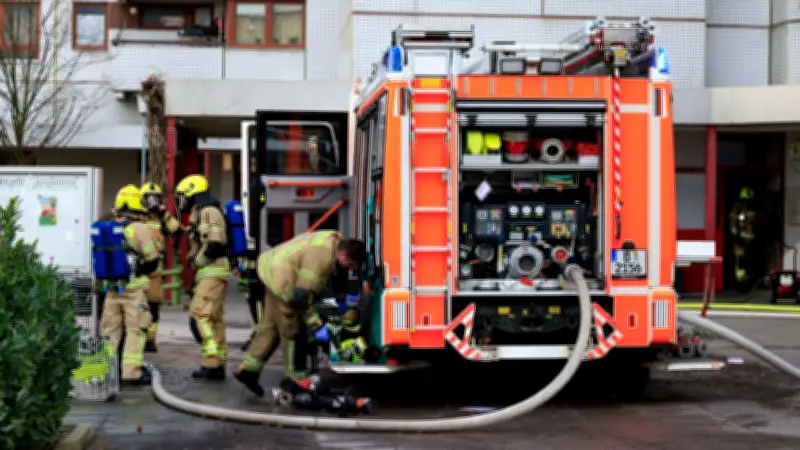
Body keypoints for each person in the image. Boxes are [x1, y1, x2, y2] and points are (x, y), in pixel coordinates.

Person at [233, 230, 366, 398]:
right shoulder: (323, 257)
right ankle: (295, 380)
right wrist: (317, 325)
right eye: (352, 264)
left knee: (270, 328)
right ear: (345, 255)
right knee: (293, 331)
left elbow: (318, 286)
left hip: (272, 268)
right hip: (284, 282)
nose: (351, 268)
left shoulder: (333, 241)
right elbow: (301, 298)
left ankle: (248, 371)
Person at [101, 185, 160, 386]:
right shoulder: (139, 228)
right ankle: (131, 374)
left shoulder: (109, 226)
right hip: (133, 289)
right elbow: (153, 259)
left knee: (110, 332)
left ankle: (105, 372)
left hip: (111, 288)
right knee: (136, 329)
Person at [174, 174, 230, 381]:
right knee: (214, 319)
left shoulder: (209, 212)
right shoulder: (202, 214)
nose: (182, 202)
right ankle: (218, 363)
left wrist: (197, 261)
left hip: (213, 272)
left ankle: (212, 363)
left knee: (199, 316)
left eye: (183, 196)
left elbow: (215, 244)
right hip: (211, 273)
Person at [140, 182, 183, 353]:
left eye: (155, 197)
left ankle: (150, 340)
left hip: (155, 271)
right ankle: (137, 338)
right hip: (138, 270)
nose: (152, 201)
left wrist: (164, 213)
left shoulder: (162, 218)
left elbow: (178, 232)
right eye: (148, 197)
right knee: (137, 306)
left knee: (154, 307)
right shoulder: (138, 217)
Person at [729, 186, 758, 291]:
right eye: (746, 200)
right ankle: (740, 284)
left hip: (751, 242)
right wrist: (737, 236)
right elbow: (733, 225)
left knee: (751, 263)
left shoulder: (754, 210)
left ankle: (751, 283)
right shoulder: (737, 210)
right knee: (740, 263)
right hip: (740, 242)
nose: (747, 202)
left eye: (749, 200)